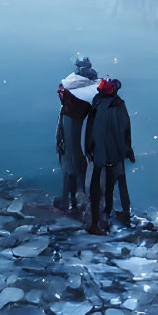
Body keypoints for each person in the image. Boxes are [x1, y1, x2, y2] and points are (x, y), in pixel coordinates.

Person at [85, 77, 135, 234]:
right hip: (115, 149)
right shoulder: (119, 105)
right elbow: (125, 128)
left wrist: (89, 147)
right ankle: (121, 214)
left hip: (98, 148)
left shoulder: (96, 104)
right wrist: (128, 149)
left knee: (97, 180)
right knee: (119, 180)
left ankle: (97, 219)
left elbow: (89, 128)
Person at [55, 55, 100, 212]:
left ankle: (69, 201)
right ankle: (81, 199)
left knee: (69, 164)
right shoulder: (91, 90)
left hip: (70, 128)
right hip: (82, 128)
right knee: (79, 162)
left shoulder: (68, 88)